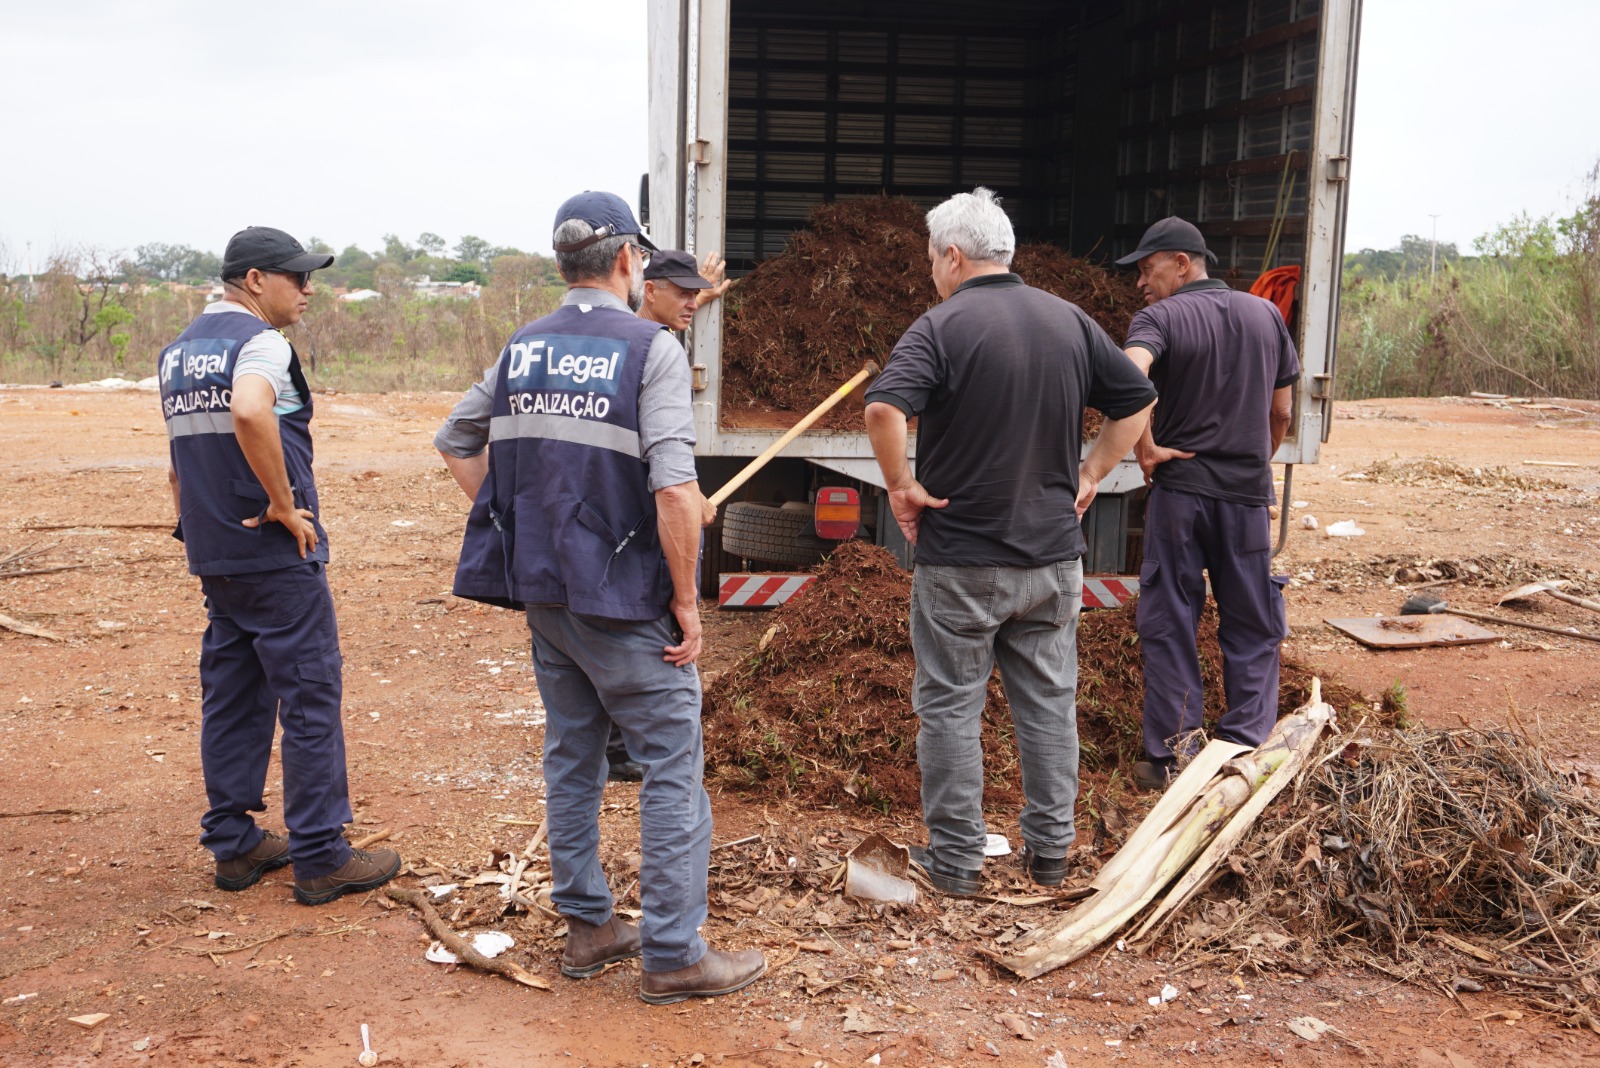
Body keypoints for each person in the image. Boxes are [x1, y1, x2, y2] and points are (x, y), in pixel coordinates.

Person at [435, 191, 765, 1003]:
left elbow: (455, 438)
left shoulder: (523, 347)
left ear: (563, 264)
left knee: (573, 754)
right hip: (624, 602)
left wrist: (516, 527)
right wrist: (686, 602)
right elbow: (676, 491)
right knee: (671, 764)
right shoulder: (649, 349)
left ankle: (589, 928)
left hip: (548, 597)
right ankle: (674, 955)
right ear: (627, 260)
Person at [863, 188, 1157, 896]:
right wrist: (1092, 472)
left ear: (953, 256)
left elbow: (883, 408)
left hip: (962, 559)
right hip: (1053, 558)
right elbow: (1137, 399)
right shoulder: (1068, 320)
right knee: (1050, 706)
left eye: (931, 260)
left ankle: (957, 860)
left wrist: (901, 485)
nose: (931, 273)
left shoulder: (940, 326)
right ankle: (1051, 853)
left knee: (950, 707)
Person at [158, 227, 402, 906]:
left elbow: (179, 461)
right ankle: (321, 855)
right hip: (274, 553)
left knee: (233, 695)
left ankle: (234, 844)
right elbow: (248, 409)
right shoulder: (261, 343)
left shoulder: (178, 353)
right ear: (256, 280)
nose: (308, 290)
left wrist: (195, 525)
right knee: (309, 693)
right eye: (298, 277)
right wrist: (284, 504)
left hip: (215, 552)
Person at [1115, 217, 1300, 791]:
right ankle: (1245, 750)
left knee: (1171, 619)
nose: (1141, 283)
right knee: (1252, 621)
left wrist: (1145, 447)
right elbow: (1282, 412)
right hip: (1245, 499)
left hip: (1180, 494)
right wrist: (1253, 460)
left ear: (1181, 263)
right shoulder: (1266, 315)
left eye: (1147, 269)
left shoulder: (1157, 319)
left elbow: (1130, 378)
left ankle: (1174, 756)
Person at [640, 249, 731, 332]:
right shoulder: (641, 338)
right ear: (650, 291)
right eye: (684, 293)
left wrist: (702, 297)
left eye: (696, 293)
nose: (694, 306)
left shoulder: (646, 332)